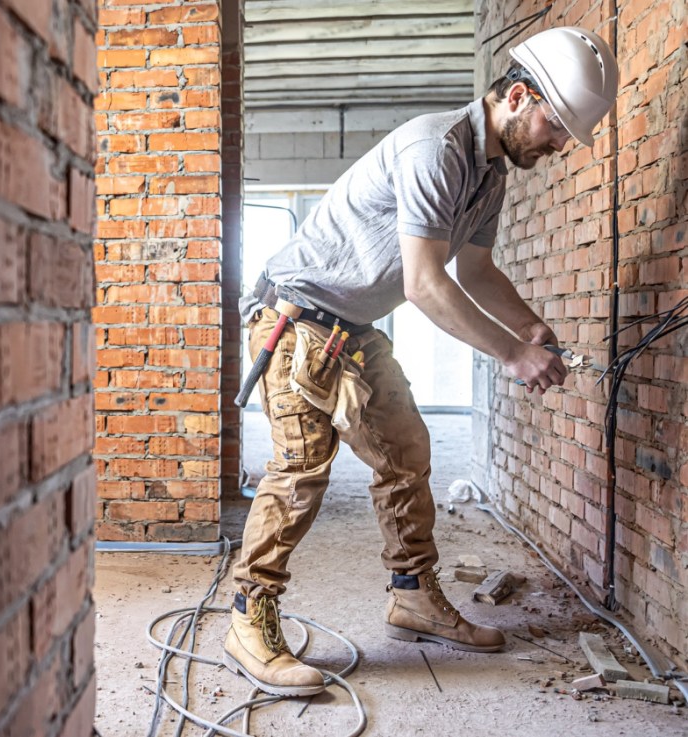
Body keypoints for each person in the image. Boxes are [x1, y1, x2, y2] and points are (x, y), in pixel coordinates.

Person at [224, 26, 619, 697]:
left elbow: (476, 268)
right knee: (300, 465)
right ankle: (248, 615)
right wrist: (514, 355)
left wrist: (526, 323)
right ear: (518, 96)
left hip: (350, 324)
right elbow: (425, 284)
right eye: (556, 128)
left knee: (405, 448)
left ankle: (412, 595)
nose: (558, 147)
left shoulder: (489, 174)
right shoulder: (437, 149)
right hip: (295, 314)